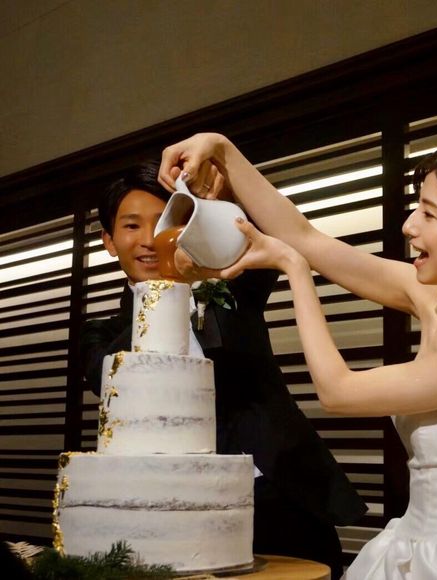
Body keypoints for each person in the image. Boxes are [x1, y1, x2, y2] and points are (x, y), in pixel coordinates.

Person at [158, 131, 437, 579]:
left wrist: (294, 269)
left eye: (429, 214)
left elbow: (338, 392)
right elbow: (303, 236)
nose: (409, 226)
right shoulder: (428, 298)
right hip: (409, 544)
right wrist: (222, 148)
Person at [79, 161, 368, 580]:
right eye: (131, 226)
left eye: (162, 221)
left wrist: (221, 190)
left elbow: (273, 231)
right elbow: (104, 378)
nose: (149, 239)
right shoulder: (101, 332)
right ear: (109, 241)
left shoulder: (231, 284)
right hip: (174, 517)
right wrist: (167, 291)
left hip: (277, 495)